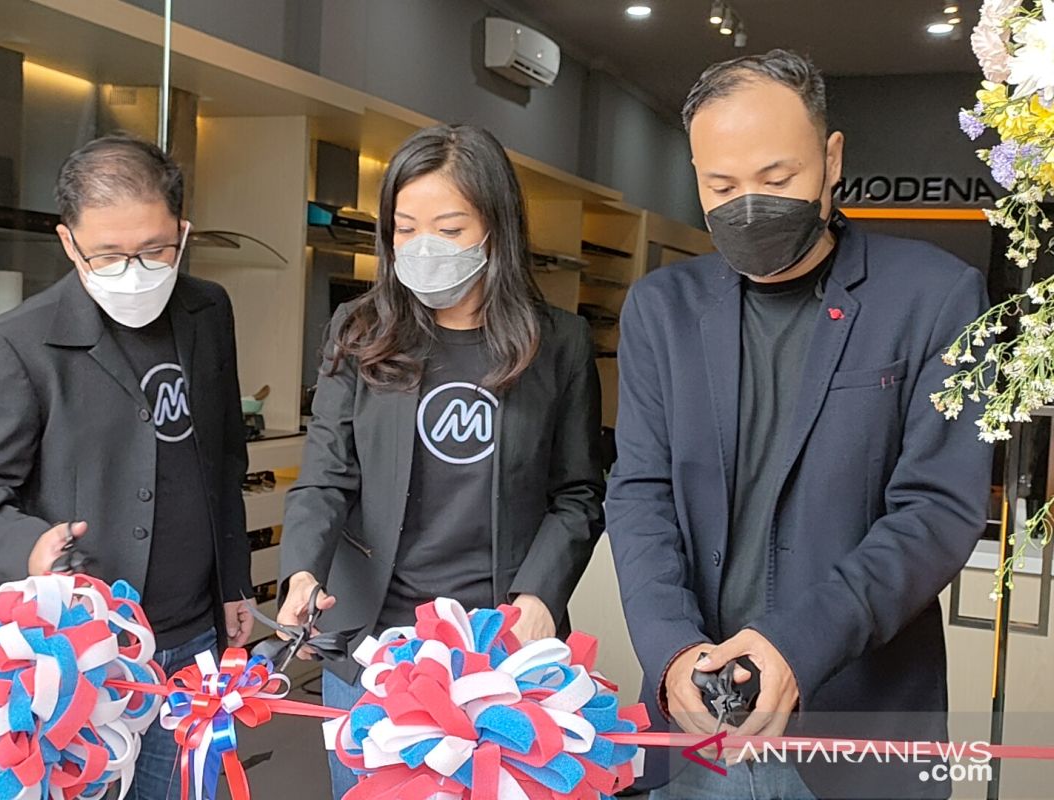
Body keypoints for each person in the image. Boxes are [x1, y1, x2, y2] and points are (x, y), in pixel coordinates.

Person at [607, 50, 992, 800]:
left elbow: (938, 509)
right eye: (721, 185)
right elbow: (640, 493)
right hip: (698, 733)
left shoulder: (934, 296)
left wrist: (799, 645)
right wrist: (671, 653)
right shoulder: (662, 310)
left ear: (832, 157)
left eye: (777, 179)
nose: (749, 203)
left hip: (861, 731)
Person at [277, 123, 605, 798]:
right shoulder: (360, 330)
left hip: (500, 649)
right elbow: (327, 475)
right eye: (405, 229)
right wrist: (302, 572)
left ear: (497, 230)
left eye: (451, 228)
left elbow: (577, 494)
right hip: (376, 649)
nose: (424, 248)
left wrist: (539, 596)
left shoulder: (561, 344)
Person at [0, 134, 254, 800]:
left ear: (182, 230)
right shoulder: (16, 343)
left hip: (193, 638)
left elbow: (224, 455)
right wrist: (29, 545)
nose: (135, 270)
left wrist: (236, 581)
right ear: (68, 242)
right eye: (109, 254)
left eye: (155, 249)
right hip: (76, 655)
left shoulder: (208, 311)